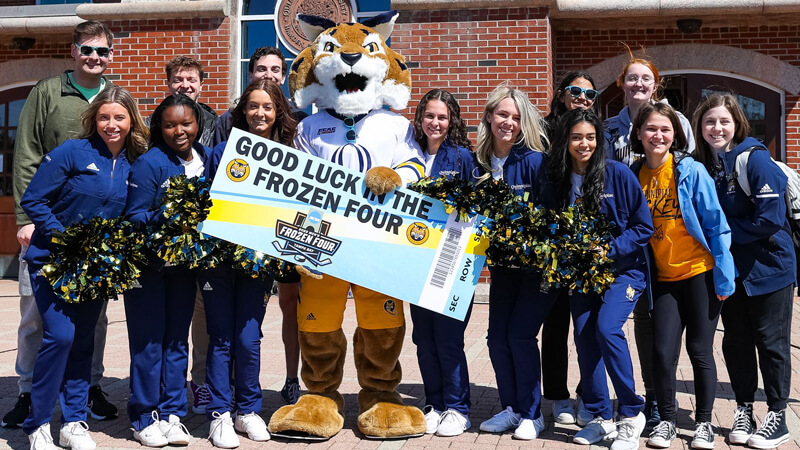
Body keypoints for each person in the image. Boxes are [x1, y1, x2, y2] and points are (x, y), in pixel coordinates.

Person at [5, 20, 119, 430]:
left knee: (96, 316)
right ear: (73, 51)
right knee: (36, 313)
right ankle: (27, 390)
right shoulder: (48, 92)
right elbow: (26, 155)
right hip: (47, 224)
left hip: (97, 233)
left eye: (102, 51)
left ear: (111, 55)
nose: (94, 57)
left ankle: (89, 386)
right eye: (87, 49)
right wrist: (25, 218)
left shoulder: (114, 97)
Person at [20, 86, 147, 450]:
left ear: (130, 121)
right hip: (53, 261)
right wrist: (63, 238)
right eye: (104, 117)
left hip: (95, 269)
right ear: (94, 120)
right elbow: (34, 199)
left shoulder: (133, 162)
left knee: (82, 343)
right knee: (59, 337)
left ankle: (73, 421)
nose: (111, 124)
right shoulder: (73, 152)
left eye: (119, 118)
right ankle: (38, 423)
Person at [628, 102, 735, 449]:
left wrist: (724, 276)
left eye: (665, 129)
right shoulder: (635, 173)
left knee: (700, 350)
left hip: (699, 273)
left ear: (675, 135)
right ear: (639, 134)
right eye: (651, 129)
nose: (657, 135)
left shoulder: (689, 170)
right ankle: (668, 421)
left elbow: (717, 224)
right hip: (662, 279)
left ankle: (704, 423)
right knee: (661, 352)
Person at [693, 93, 795, 449]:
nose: (716, 127)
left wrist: (720, 233)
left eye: (723, 121)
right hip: (731, 271)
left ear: (737, 123)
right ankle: (744, 408)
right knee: (736, 341)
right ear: (700, 128)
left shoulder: (755, 160)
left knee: (771, 343)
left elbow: (770, 219)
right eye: (709, 122)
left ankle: (778, 416)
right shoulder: (703, 164)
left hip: (770, 269)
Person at [547, 108, 653, 450]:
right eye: (577, 137)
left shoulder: (618, 174)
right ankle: (599, 416)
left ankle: (631, 413)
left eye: (590, 137)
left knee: (607, 328)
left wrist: (609, 249)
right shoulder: (560, 179)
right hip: (582, 274)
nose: (584, 144)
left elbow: (643, 227)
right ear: (566, 141)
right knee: (584, 336)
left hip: (624, 271)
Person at [200, 79, 297, 448]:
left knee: (248, 336)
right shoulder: (223, 151)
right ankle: (220, 414)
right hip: (219, 260)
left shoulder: (289, 157)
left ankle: (248, 410)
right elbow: (205, 199)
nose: (260, 113)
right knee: (221, 335)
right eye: (253, 106)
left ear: (278, 114)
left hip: (258, 261)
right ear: (243, 111)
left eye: (267, 107)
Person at [603, 52, 694, 428]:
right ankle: (640, 395)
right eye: (631, 78)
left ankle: (659, 397)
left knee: (661, 324)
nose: (638, 84)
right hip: (622, 241)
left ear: (655, 85)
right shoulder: (607, 128)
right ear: (622, 84)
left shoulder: (675, 122)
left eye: (645, 79)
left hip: (665, 238)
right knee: (636, 321)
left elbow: (686, 171)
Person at [212, 46, 303, 405]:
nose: (268, 74)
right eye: (261, 68)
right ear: (250, 74)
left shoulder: (297, 123)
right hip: (241, 238)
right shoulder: (227, 123)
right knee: (241, 323)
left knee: (290, 306)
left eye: (275, 69)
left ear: (284, 75)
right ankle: (232, 385)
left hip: (283, 236)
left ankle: (292, 379)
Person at [123, 94, 211, 448]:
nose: (179, 131)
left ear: (198, 125)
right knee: (148, 343)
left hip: (184, 268)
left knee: (176, 341)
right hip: (150, 268)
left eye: (186, 123)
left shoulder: (203, 159)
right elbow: (133, 217)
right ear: (159, 127)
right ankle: (144, 416)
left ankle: (172, 412)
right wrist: (167, 215)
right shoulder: (150, 163)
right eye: (170, 124)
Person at [473, 85, 554, 441]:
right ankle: (511, 409)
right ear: (489, 116)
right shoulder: (477, 162)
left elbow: (553, 216)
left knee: (520, 336)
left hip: (536, 269)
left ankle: (532, 414)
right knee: (495, 339)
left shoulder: (535, 161)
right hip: (502, 268)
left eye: (516, 117)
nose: (509, 122)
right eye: (502, 114)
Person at [153, 55, 219, 416]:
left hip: (207, 237)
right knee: (174, 317)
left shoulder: (217, 123)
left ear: (201, 83)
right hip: (169, 239)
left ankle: (204, 382)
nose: (185, 85)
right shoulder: (159, 123)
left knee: (206, 316)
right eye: (178, 79)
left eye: (191, 79)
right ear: (169, 83)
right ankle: (170, 388)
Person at [410, 89, 476, 438]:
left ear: (452, 122)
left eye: (442, 117)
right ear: (420, 118)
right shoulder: (408, 155)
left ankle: (458, 408)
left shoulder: (462, 157)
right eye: (430, 116)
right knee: (424, 338)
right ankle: (434, 404)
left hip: (451, 263)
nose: (435, 122)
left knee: (449, 338)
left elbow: (477, 210)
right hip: (415, 262)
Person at [541, 70, 600, 427]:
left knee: (588, 326)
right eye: (575, 91)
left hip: (589, 249)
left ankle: (587, 393)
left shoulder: (596, 133)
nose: (581, 98)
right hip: (553, 244)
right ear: (562, 95)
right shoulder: (544, 133)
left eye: (589, 94)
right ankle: (558, 396)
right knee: (555, 324)